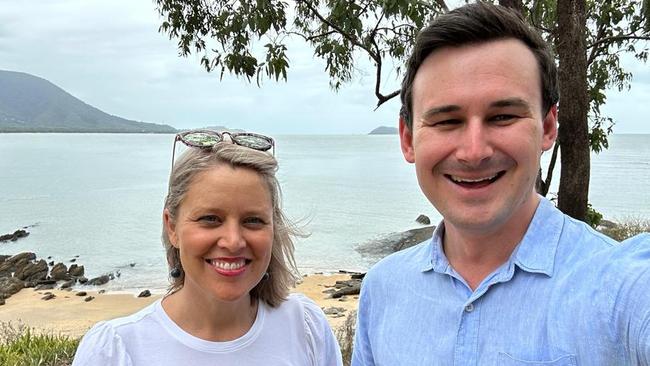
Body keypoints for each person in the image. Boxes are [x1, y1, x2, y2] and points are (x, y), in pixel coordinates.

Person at [352, 3, 650, 365]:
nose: (474, 152)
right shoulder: (383, 291)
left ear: (547, 127)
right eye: (447, 121)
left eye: (503, 117)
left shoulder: (619, 287)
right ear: (408, 139)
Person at [73, 130, 343, 365]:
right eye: (210, 219)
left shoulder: (305, 328)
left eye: (253, 221)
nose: (233, 241)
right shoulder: (118, 350)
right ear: (172, 227)